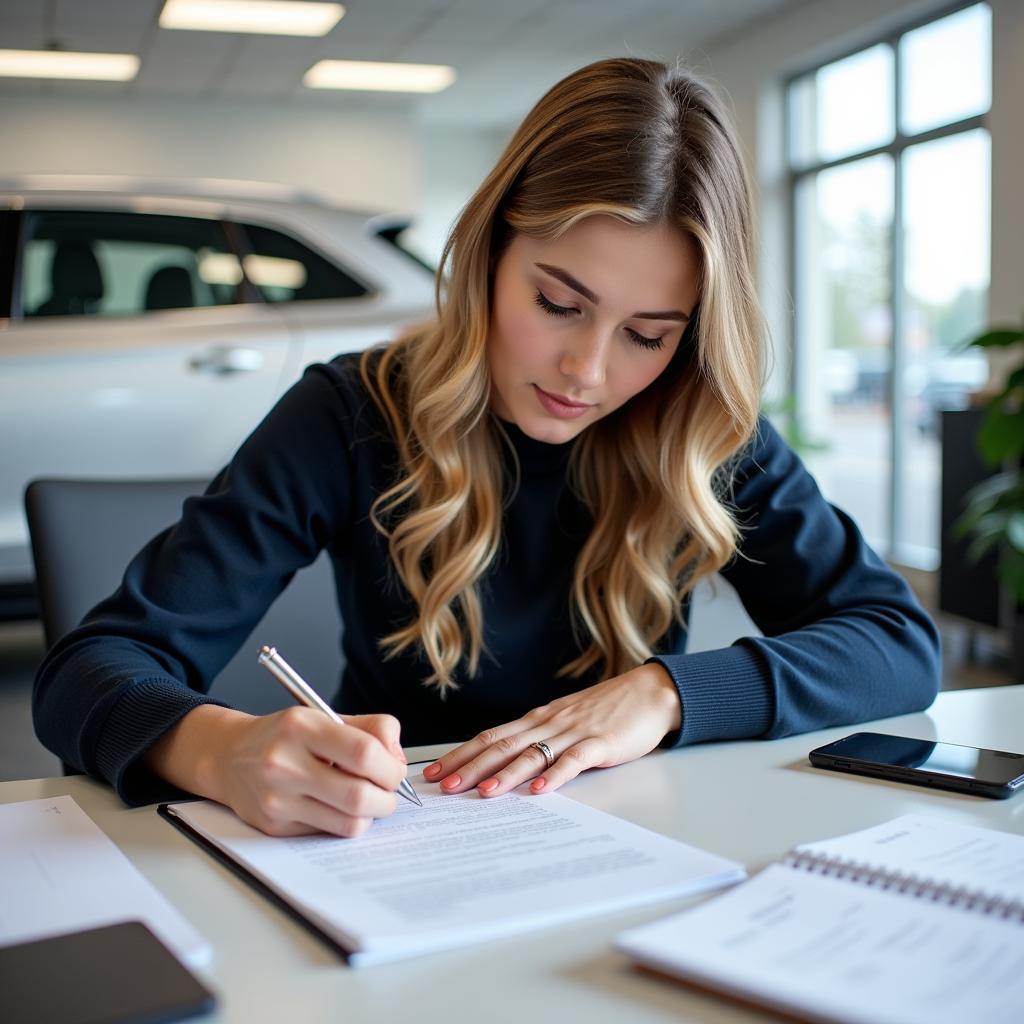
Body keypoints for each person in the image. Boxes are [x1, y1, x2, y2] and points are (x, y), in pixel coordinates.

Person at [33, 57, 941, 839]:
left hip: (641, 845)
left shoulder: (699, 427)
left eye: (650, 333)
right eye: (558, 303)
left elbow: (899, 643)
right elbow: (86, 674)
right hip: (403, 849)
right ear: (490, 251)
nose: (587, 370)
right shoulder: (349, 413)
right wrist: (222, 748)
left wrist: (665, 696)